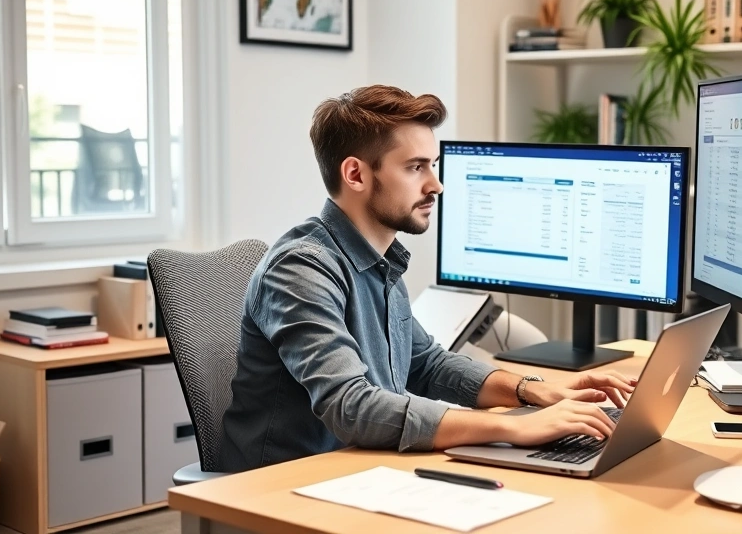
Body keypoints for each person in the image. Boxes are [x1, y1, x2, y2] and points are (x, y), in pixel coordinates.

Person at [218, 85, 636, 472]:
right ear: (356, 174)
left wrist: (533, 390)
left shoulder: (381, 259)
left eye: (432, 165)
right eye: (415, 167)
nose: (436, 185)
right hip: (283, 486)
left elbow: (427, 365)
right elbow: (352, 407)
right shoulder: (301, 269)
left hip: (360, 470)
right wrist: (515, 427)